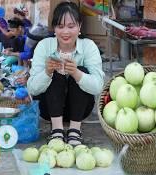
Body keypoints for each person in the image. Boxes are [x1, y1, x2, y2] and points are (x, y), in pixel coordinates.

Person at [27, 2, 104, 146]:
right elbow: (32, 89)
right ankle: (56, 130)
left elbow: (98, 86)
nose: (65, 32)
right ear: (54, 28)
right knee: (55, 71)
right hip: (48, 109)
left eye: (71, 26)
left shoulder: (89, 47)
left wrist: (76, 73)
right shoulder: (44, 46)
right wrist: (47, 72)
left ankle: (75, 130)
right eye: (60, 26)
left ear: (79, 26)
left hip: (81, 110)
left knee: (82, 70)